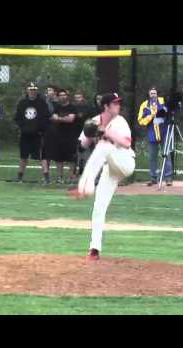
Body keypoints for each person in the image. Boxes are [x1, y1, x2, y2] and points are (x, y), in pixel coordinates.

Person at [74, 93, 135, 261]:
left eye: (119, 103)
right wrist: (89, 134)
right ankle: (94, 248)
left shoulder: (120, 122)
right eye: (115, 103)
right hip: (109, 168)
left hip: (125, 161)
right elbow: (82, 145)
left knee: (104, 146)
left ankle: (85, 187)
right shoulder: (94, 120)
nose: (118, 106)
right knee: (99, 206)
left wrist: (105, 132)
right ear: (106, 106)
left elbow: (127, 143)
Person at [14, 82, 50, 183]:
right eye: (30, 90)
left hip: (37, 134)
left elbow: (45, 118)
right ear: (27, 91)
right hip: (25, 134)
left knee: (41, 156)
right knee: (23, 156)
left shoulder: (42, 103)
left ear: (37, 91)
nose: (32, 92)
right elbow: (17, 118)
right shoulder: (22, 103)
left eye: (34, 90)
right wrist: (22, 127)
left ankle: (46, 176)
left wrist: (40, 129)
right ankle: (20, 176)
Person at [137, 87, 173, 186]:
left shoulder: (163, 101)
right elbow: (140, 120)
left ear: (157, 94)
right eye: (151, 93)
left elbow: (170, 111)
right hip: (152, 134)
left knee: (166, 155)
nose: (153, 95)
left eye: (155, 93)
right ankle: (153, 178)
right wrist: (151, 116)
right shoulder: (144, 105)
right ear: (149, 94)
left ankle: (168, 178)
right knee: (152, 157)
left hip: (164, 132)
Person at [47, 89, 78, 183]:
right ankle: (60, 177)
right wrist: (64, 118)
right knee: (59, 158)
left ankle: (70, 178)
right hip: (58, 135)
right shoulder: (57, 107)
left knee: (71, 158)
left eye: (64, 95)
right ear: (58, 97)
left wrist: (59, 119)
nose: (62, 97)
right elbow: (52, 118)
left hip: (70, 136)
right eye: (60, 95)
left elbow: (71, 120)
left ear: (67, 96)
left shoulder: (72, 107)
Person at [40, 84, 59, 184]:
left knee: (56, 155)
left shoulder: (59, 103)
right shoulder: (44, 103)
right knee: (45, 154)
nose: (48, 92)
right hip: (46, 131)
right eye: (47, 90)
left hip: (58, 131)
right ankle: (46, 174)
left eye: (50, 90)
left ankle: (60, 177)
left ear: (55, 92)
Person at [73, 90, 93, 176]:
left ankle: (85, 168)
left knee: (85, 151)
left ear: (83, 97)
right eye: (76, 98)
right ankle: (76, 169)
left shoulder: (88, 107)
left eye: (79, 97)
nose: (78, 99)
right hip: (75, 131)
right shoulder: (73, 107)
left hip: (85, 131)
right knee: (75, 152)